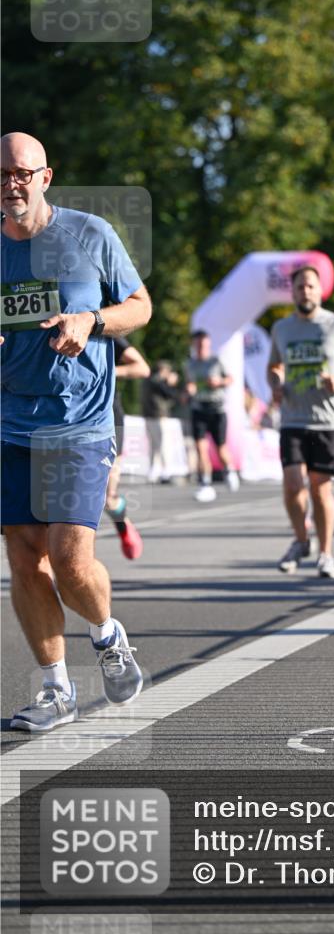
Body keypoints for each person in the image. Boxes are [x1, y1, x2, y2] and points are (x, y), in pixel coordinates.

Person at [1, 131, 151, 731]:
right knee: (24, 558)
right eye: (1, 174)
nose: (11, 183)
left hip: (79, 423)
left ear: (45, 177)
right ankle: (55, 689)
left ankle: (108, 635)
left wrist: (91, 319)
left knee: (69, 560)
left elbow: (140, 306)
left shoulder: (90, 233)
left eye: (21, 172)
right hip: (10, 424)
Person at [268, 264, 334, 579]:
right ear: (293, 292)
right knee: (292, 485)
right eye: (300, 287)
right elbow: (274, 366)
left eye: (311, 286)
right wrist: (276, 382)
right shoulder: (281, 329)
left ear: (320, 290)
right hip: (293, 419)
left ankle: (326, 554)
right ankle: (301, 541)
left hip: (328, 421)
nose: (305, 291)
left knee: (320, 490)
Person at [104, 337, 150, 558]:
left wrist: (105, 371)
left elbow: (142, 368)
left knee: (106, 497)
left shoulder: (103, 330)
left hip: (109, 418)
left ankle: (120, 519)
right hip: (64, 418)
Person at [185, 329, 239, 502]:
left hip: (217, 409)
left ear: (208, 344)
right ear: (194, 345)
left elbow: (230, 379)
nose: (201, 347)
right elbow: (189, 384)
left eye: (203, 344)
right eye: (198, 344)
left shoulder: (216, 361)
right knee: (200, 448)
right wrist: (189, 390)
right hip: (199, 408)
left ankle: (229, 470)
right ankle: (205, 484)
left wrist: (219, 382)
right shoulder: (189, 364)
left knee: (220, 448)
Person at [141, 359, 181, 482]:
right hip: (158, 416)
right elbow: (169, 394)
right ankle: (165, 470)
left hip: (150, 415)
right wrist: (170, 383)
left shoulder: (148, 380)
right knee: (162, 444)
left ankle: (155, 470)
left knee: (155, 444)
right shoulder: (157, 381)